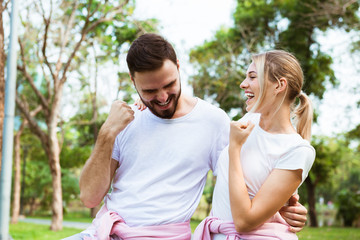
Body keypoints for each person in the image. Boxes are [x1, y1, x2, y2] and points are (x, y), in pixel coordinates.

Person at [64, 34, 308, 240]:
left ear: (179, 67)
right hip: (102, 231)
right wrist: (107, 133)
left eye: (168, 85)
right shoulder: (125, 120)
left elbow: (243, 177)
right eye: (150, 90)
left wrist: (284, 206)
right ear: (133, 81)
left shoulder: (214, 122)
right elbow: (89, 197)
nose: (161, 97)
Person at [193, 50, 315, 240]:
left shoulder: (297, 150)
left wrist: (234, 149)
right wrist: (145, 103)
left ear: (279, 85)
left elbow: (244, 222)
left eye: (252, 77)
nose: (243, 84)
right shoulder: (250, 119)